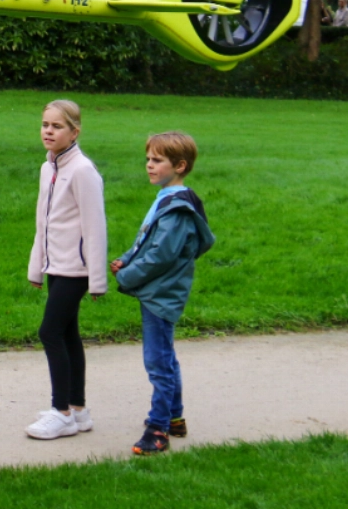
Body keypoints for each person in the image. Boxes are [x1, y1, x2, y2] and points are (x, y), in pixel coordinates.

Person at [110, 132, 215, 456]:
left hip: (161, 294)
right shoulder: (169, 198)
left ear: (179, 166)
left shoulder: (177, 208)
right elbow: (147, 239)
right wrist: (126, 258)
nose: (149, 165)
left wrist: (127, 276)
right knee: (166, 356)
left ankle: (158, 431)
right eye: (148, 159)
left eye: (157, 160)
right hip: (160, 289)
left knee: (157, 361)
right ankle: (175, 417)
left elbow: (160, 255)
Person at [24, 100, 108, 440]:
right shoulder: (49, 168)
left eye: (57, 126)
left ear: (75, 131)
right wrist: (36, 267)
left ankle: (60, 413)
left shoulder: (83, 170)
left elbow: (95, 226)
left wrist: (97, 279)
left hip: (77, 268)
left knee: (50, 332)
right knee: (68, 334)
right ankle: (78, 410)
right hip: (56, 264)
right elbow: (42, 222)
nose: (48, 131)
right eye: (45, 124)